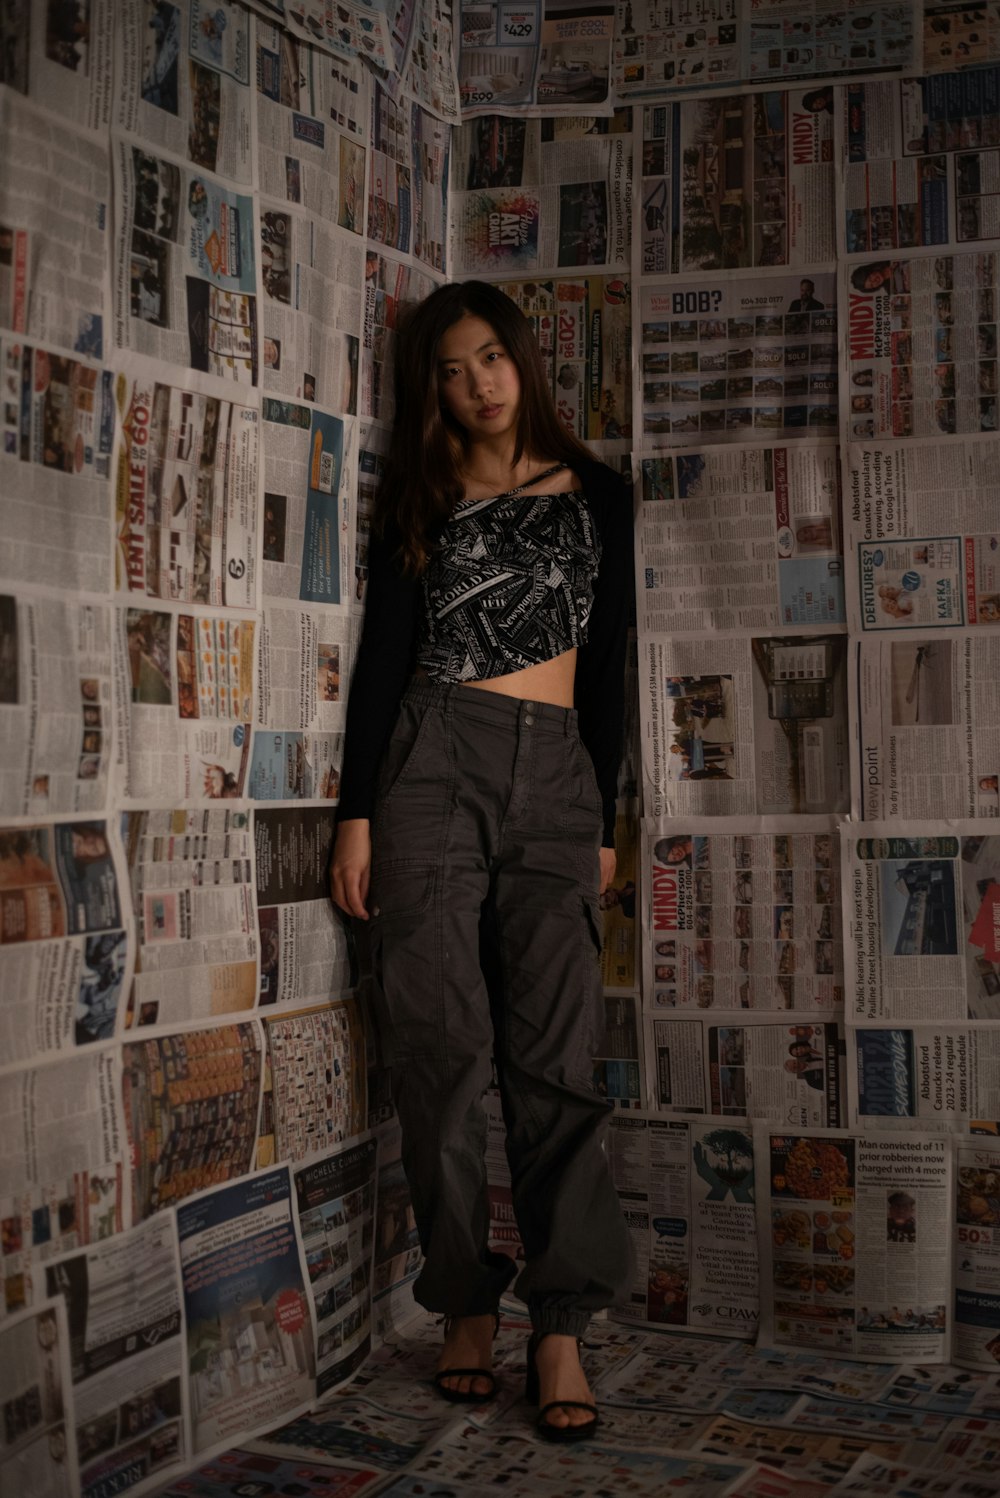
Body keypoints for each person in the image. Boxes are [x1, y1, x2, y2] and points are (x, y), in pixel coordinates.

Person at [329, 280, 633, 1441]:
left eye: (492, 357)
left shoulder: (599, 495)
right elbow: (383, 658)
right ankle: (464, 1301)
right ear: (432, 390)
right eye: (451, 370)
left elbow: (606, 666)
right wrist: (358, 813)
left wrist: (598, 819)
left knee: (556, 1056)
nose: (477, 384)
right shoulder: (426, 489)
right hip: (430, 762)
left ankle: (560, 1321)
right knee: (442, 1043)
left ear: (524, 360)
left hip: (555, 772)